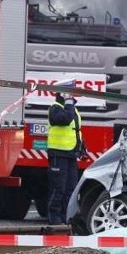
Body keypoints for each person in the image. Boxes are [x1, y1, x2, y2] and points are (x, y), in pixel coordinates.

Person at [47, 81, 82, 226]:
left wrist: (81, 147)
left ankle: (65, 217)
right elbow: (65, 120)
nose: (72, 96)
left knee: (70, 189)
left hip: (70, 154)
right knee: (58, 188)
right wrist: (68, 101)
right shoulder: (55, 109)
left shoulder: (72, 108)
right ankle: (54, 218)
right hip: (58, 154)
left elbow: (75, 130)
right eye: (70, 93)